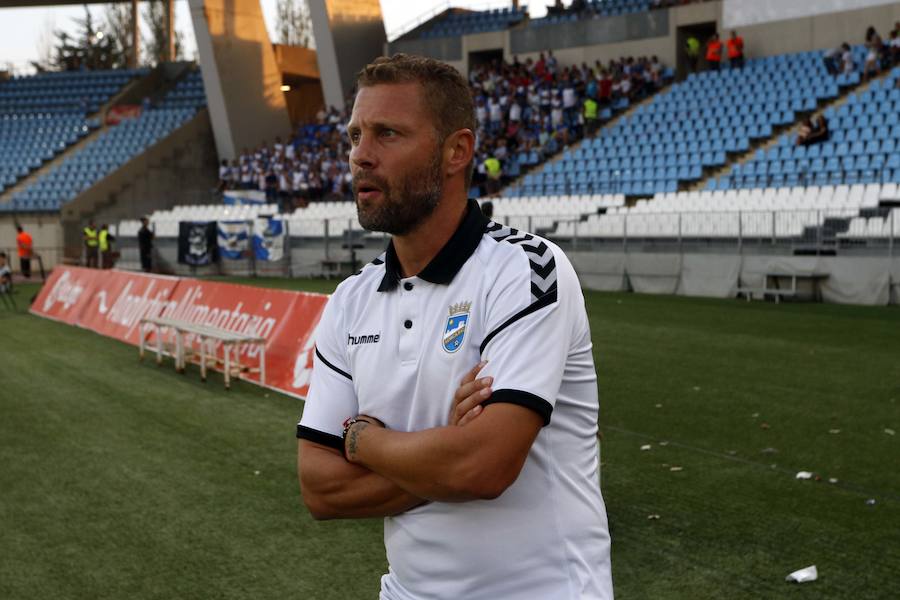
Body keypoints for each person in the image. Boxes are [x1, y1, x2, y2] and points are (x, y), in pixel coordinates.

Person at [296, 54, 613, 600]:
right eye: (354, 136)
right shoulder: (350, 301)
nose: (360, 156)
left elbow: (483, 468)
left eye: (387, 134)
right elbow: (321, 489)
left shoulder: (527, 270)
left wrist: (362, 438)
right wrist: (441, 456)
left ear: (456, 151)